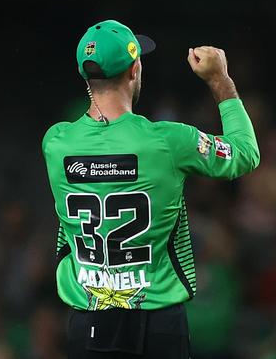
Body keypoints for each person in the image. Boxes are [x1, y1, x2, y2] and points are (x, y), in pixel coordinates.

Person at [42, 19, 260, 358]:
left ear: (86, 76)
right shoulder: (169, 141)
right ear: (134, 69)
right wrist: (220, 80)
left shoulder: (55, 143)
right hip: (158, 321)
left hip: (88, 322)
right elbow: (245, 154)